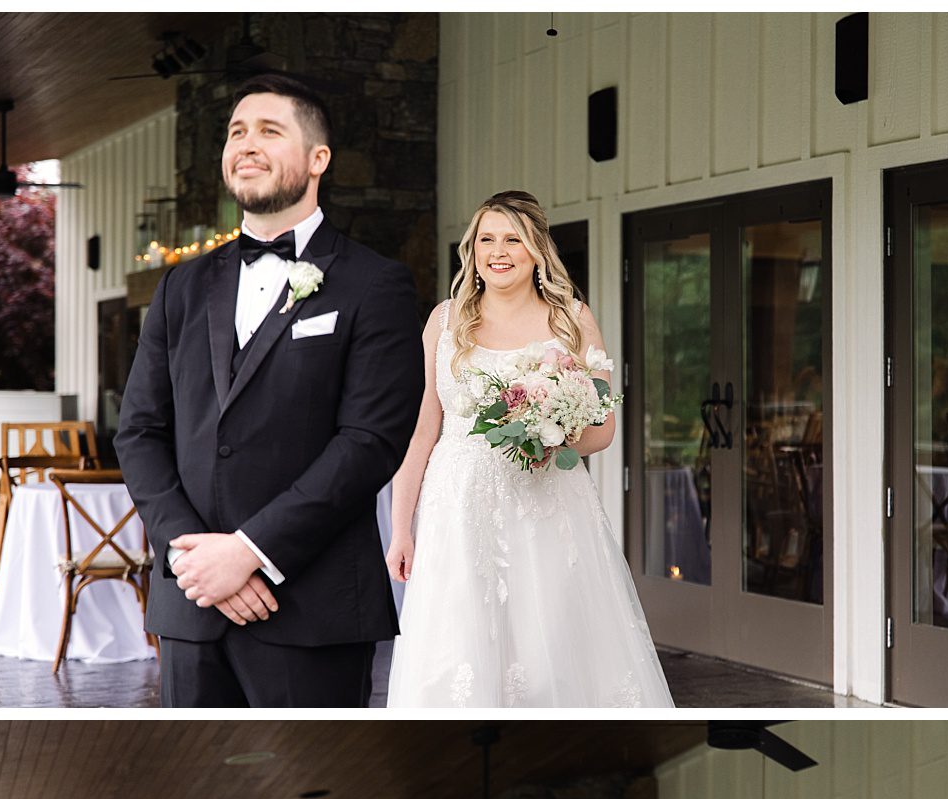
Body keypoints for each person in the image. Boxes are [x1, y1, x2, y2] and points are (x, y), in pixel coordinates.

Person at [114, 74, 419, 708]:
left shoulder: (375, 284)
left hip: (312, 605)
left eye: (269, 131)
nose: (246, 144)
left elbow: (369, 443)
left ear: (318, 159)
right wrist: (194, 559)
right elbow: (140, 430)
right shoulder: (181, 287)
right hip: (193, 604)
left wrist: (252, 552)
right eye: (236, 132)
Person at [383, 192, 672, 707]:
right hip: (458, 513)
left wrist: (550, 434)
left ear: (537, 249)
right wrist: (401, 529)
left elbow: (602, 431)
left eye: (513, 239)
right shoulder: (445, 322)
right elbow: (423, 432)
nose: (498, 251)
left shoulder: (572, 320)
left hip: (547, 508)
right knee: (458, 647)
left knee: (550, 651)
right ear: (471, 252)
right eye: (486, 240)